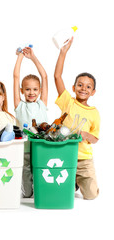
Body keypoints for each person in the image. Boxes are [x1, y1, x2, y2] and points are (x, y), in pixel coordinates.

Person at [54, 38, 100, 200]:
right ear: (74, 88)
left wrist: (86, 136)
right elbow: (57, 77)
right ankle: (72, 181)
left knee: (91, 195)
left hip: (83, 159)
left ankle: (80, 180)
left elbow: (95, 139)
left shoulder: (94, 113)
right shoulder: (68, 102)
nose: (83, 89)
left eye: (88, 86)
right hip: (65, 154)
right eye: (80, 85)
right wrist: (63, 53)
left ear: (93, 92)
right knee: (62, 188)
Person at [13, 46, 48, 198]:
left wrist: (33, 58)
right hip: (25, 148)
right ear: (22, 90)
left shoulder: (42, 104)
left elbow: (44, 76)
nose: (31, 93)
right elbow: (15, 77)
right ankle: (28, 190)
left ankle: (42, 189)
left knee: (41, 169)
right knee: (27, 191)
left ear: (39, 90)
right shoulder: (19, 105)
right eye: (27, 89)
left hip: (42, 146)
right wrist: (20, 57)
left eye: (35, 89)